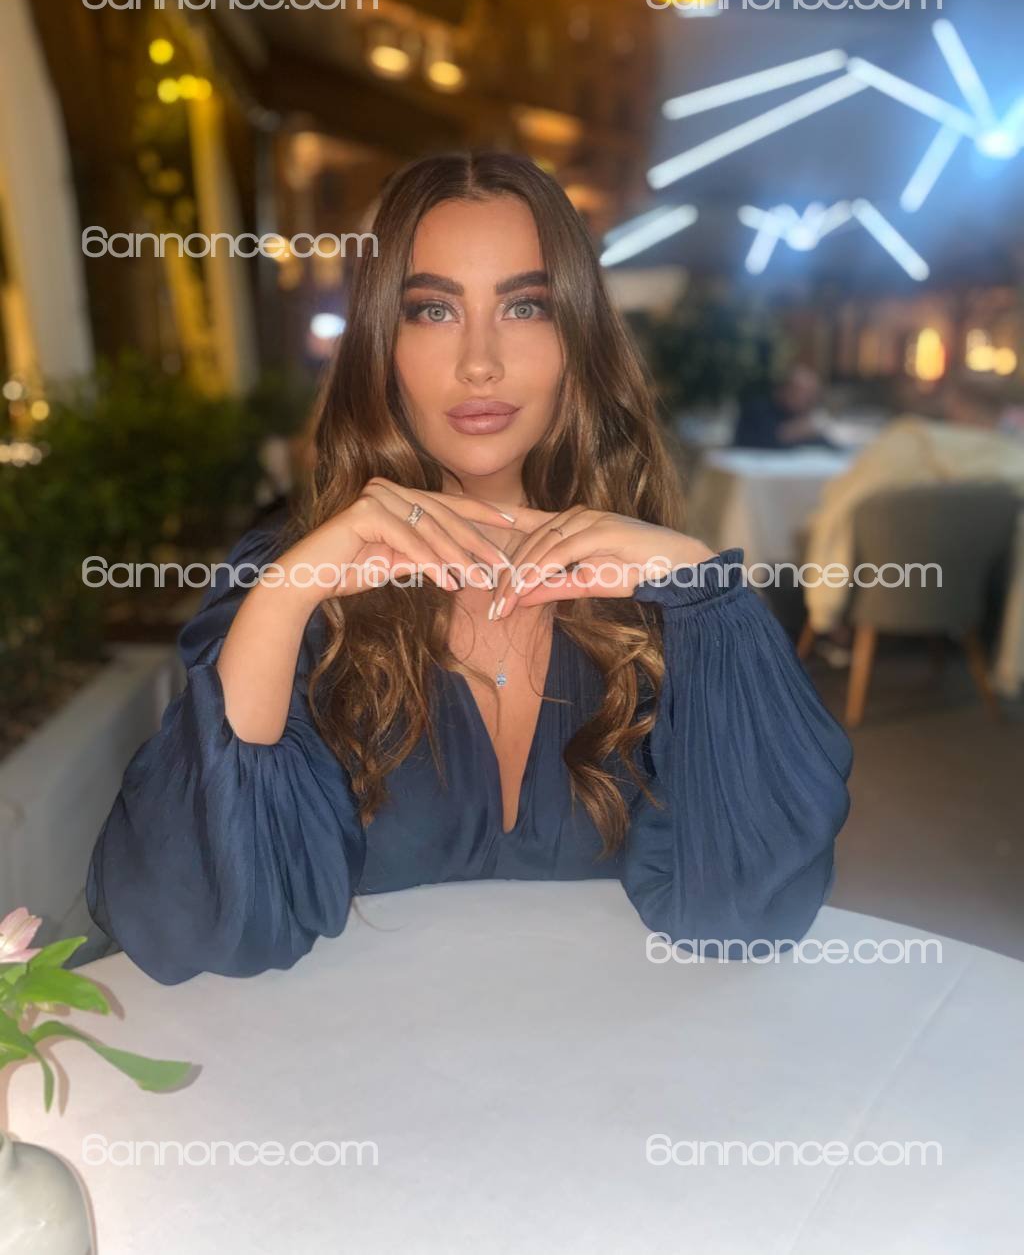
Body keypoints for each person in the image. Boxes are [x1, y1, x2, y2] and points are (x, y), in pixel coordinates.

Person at [86, 151, 853, 985]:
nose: (479, 361)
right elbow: (190, 923)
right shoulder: (293, 585)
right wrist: (283, 597)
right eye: (433, 310)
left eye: (525, 306)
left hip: (606, 1056)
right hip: (354, 1062)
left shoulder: (661, 600)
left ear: (579, 340)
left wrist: (705, 590)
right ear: (382, 345)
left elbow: (744, 916)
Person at [803, 370, 1024, 643]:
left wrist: (825, 606)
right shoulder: (1011, 460)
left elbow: (840, 505)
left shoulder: (907, 444)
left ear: (953, 402)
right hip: (969, 596)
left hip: (882, 585)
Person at [733, 363, 836, 449]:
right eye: (802, 392)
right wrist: (796, 431)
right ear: (784, 388)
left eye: (812, 394)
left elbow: (825, 445)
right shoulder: (757, 408)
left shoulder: (803, 412)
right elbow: (761, 442)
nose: (809, 399)